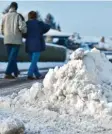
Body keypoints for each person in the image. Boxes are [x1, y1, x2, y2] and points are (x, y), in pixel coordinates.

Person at [1, 2, 27, 79]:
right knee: (12, 57)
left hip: (7, 39)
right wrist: (24, 31)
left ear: (10, 7)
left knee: (11, 57)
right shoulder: (18, 16)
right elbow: (22, 28)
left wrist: (5, 33)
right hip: (16, 40)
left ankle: (15, 71)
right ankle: (8, 73)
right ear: (16, 8)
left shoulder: (4, 16)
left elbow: (1, 28)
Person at [25, 11, 50, 80]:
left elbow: (23, 33)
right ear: (36, 16)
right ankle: (30, 74)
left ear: (29, 16)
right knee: (34, 61)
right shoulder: (39, 23)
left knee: (33, 61)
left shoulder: (26, 24)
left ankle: (37, 74)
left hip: (28, 44)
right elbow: (48, 27)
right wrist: (41, 31)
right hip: (37, 44)